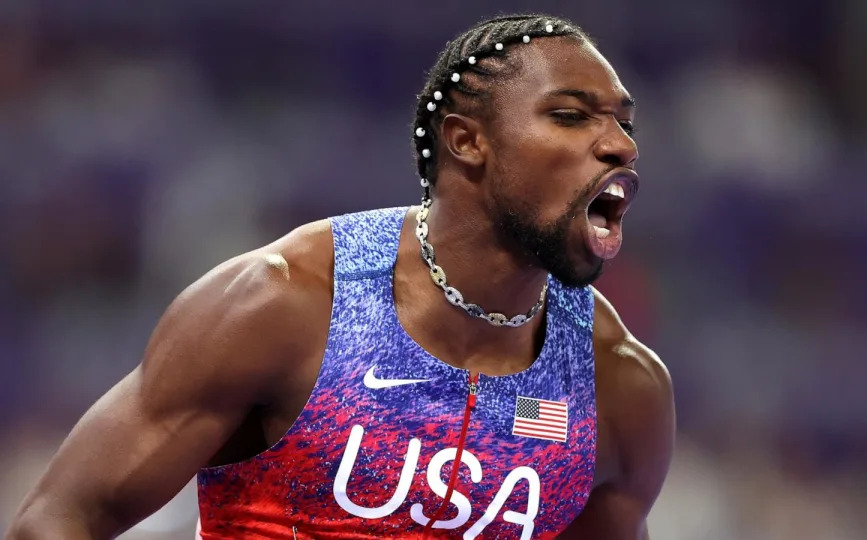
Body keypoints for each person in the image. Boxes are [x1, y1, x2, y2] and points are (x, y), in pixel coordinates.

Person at [7, 13, 674, 540]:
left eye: (623, 121)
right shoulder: (286, 304)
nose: (620, 143)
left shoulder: (618, 386)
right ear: (467, 142)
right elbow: (58, 518)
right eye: (570, 115)